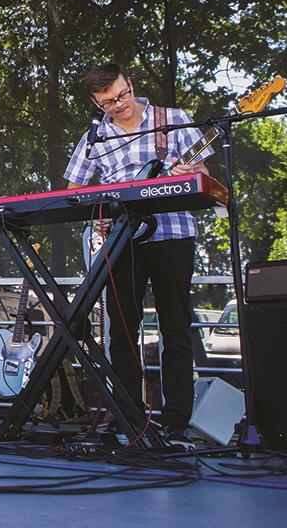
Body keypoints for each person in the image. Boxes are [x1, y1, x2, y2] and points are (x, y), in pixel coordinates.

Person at [63, 64, 212, 442]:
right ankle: (126, 414)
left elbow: (202, 175)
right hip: (121, 240)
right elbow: (72, 190)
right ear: (95, 102)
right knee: (122, 330)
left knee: (175, 327)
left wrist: (191, 169)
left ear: (130, 83)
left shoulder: (172, 120)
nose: (118, 105)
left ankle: (177, 420)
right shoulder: (95, 137)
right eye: (107, 103)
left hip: (172, 233)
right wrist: (96, 216)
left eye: (121, 96)